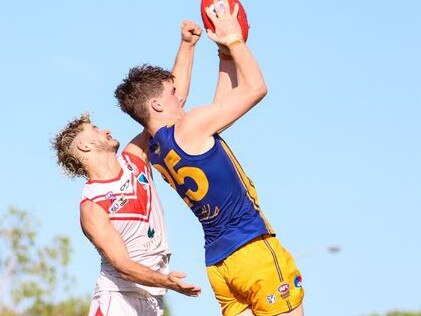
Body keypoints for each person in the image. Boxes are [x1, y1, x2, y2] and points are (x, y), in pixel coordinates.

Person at [114, 2, 304, 315]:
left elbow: (223, 105)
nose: (180, 96)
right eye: (172, 93)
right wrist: (234, 40)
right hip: (253, 250)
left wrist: (223, 55)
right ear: (157, 106)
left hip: (220, 266)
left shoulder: (157, 150)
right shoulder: (190, 126)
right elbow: (256, 88)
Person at [52, 20, 202, 316]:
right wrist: (168, 282)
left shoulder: (134, 159)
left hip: (152, 300)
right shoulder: (92, 206)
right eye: (95, 129)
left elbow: (170, 103)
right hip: (118, 300)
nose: (105, 130)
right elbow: (122, 265)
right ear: (84, 147)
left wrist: (187, 45)